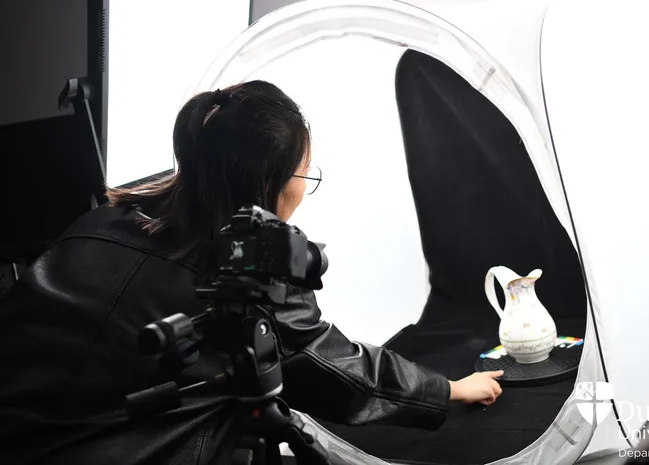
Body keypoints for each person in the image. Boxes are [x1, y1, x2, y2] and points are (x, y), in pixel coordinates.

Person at [0, 80, 503, 464]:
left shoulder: (101, 219)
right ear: (272, 181)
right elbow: (338, 374)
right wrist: (447, 389)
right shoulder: (250, 270)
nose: (304, 187)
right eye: (305, 172)